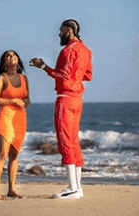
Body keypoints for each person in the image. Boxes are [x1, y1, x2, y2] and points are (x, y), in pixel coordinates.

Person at [29, 19, 93, 199]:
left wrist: (44, 67)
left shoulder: (68, 50)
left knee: (65, 141)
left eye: (61, 30)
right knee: (74, 141)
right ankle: (78, 188)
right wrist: (75, 78)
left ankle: (72, 187)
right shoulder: (86, 51)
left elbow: (63, 75)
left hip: (65, 98)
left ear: (71, 30)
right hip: (78, 100)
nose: (59, 33)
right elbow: (88, 75)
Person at [0, 50, 30, 200]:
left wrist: (25, 103)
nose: (11, 57)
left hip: (20, 118)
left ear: (18, 60)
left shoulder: (24, 79)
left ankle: (11, 189)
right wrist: (13, 101)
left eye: (14, 55)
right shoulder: (1, 78)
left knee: (14, 155)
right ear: (4, 62)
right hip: (5, 116)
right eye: (8, 56)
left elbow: (27, 99)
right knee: (2, 154)